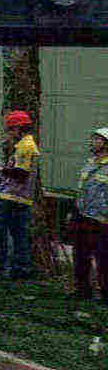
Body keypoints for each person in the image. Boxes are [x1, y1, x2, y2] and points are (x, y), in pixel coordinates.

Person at [0, 109, 40, 279]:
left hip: (15, 197)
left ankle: (5, 266)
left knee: (5, 233)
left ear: (18, 128)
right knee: (18, 235)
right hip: (18, 197)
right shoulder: (23, 146)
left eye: (10, 129)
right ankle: (19, 267)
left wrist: (2, 171)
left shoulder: (26, 147)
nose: (8, 133)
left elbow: (21, 174)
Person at [72, 127, 108, 302]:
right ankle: (82, 289)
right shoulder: (90, 163)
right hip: (83, 215)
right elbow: (82, 189)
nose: (92, 142)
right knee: (80, 254)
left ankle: (104, 292)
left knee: (103, 257)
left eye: (97, 139)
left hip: (101, 220)